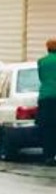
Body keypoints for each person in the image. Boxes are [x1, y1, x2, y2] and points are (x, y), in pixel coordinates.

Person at [38, 36, 56, 165]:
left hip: (45, 97)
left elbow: (41, 77)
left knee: (48, 128)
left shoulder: (41, 61)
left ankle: (48, 155)